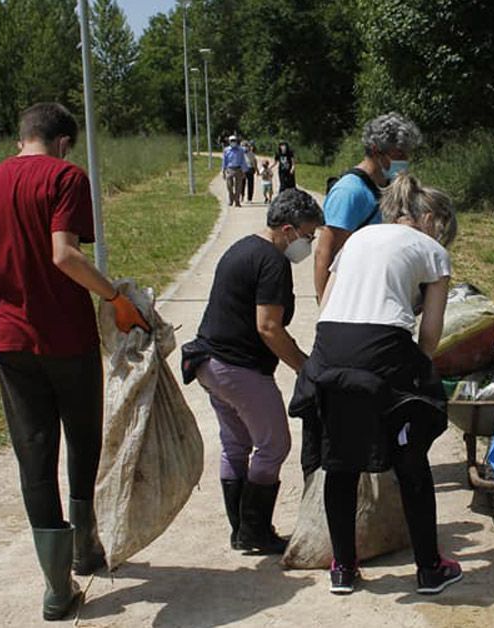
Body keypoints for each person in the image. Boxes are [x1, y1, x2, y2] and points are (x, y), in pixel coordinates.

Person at [0, 102, 151, 621]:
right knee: (81, 439)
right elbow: (65, 253)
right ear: (61, 140)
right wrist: (114, 298)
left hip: (11, 342)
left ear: (23, 137)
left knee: (34, 454)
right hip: (66, 339)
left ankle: (57, 590)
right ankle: (85, 549)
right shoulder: (65, 177)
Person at [290, 174, 461, 596]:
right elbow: (432, 334)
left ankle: (343, 569)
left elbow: (327, 304)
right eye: (438, 225)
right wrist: (418, 376)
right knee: (411, 457)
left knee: (340, 460)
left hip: (329, 348)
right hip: (384, 348)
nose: (439, 233)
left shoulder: (356, 241)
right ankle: (429, 568)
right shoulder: (432, 250)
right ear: (426, 218)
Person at [187, 188, 322, 555]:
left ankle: (240, 531)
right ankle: (255, 531)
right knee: (274, 444)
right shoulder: (272, 261)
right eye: (308, 235)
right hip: (238, 368)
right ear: (289, 229)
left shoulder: (242, 247)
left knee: (236, 445)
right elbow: (269, 327)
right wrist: (304, 367)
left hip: (209, 364)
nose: (308, 243)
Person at [313, 112, 421, 300]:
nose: (405, 159)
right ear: (375, 150)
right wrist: (325, 308)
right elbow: (324, 253)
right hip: (351, 295)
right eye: (399, 154)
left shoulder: (386, 185)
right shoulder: (349, 191)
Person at [222, 135, 246, 207]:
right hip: (230, 169)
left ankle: (237, 201)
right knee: (229, 186)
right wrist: (223, 170)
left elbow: (243, 160)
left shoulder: (241, 150)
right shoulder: (226, 150)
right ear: (229, 142)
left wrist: (244, 171)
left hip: (238, 169)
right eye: (231, 141)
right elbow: (224, 161)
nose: (233, 142)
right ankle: (231, 198)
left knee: (238, 186)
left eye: (234, 141)